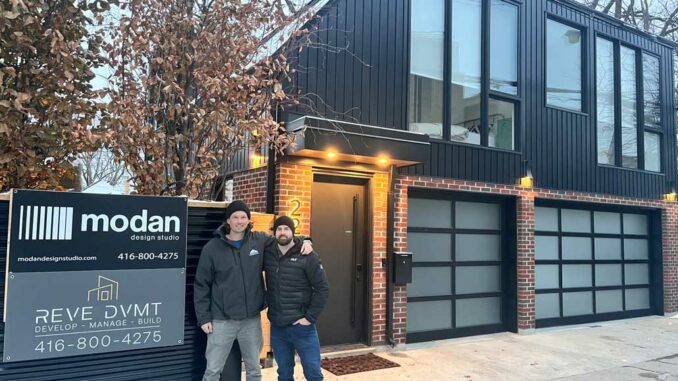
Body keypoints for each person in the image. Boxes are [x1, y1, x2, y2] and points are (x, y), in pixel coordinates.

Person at [194, 201, 313, 381]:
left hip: (250, 320)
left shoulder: (259, 240)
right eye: (235, 217)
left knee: (254, 370)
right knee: (212, 371)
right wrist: (203, 317)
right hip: (221, 321)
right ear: (228, 220)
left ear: (249, 220)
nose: (239, 221)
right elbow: (201, 284)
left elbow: (284, 239)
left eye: (243, 217)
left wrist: (306, 240)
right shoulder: (212, 248)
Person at [264, 216, 329, 381]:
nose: (282, 232)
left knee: (313, 374)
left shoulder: (307, 255)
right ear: (274, 233)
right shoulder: (269, 253)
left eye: (286, 229)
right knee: (284, 374)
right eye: (279, 229)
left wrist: (309, 318)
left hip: (302, 328)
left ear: (292, 231)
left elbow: (322, 289)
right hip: (278, 326)